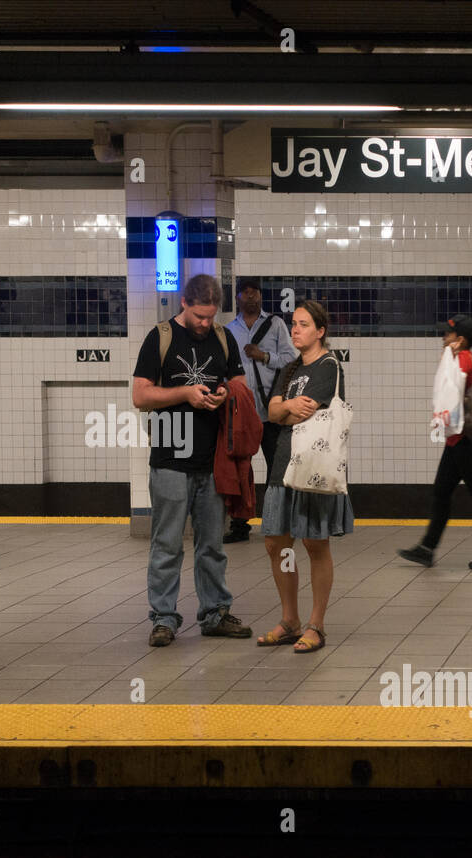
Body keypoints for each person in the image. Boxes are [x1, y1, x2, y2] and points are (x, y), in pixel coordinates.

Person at [132, 273, 252, 647]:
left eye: (210, 316)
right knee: (167, 543)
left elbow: (240, 384)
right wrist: (185, 393)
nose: (204, 324)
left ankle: (215, 612)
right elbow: (140, 395)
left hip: (213, 459)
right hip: (169, 458)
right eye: (199, 316)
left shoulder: (222, 337)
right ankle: (164, 619)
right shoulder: (160, 337)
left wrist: (221, 395)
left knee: (212, 545)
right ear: (184, 303)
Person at [256, 301, 354, 653]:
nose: (295, 329)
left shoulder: (328, 366)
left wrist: (285, 411)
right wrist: (284, 409)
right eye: (294, 324)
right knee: (277, 544)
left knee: (314, 543)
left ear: (320, 331)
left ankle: (316, 624)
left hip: (311, 467)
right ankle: (289, 620)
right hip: (282, 465)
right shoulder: (291, 368)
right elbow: (274, 412)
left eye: (303, 324)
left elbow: (305, 414)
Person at [397, 314, 472, 570]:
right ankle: (427, 548)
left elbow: (449, 392)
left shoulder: (463, 359)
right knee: (442, 491)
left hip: (469, 441)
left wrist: (450, 357)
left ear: (460, 339)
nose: (443, 338)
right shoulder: (462, 358)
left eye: (447, 334)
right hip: (460, 440)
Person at [223, 276, 297, 544]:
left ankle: (277, 520)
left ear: (261, 297)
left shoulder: (275, 325)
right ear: (238, 298)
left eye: (255, 292)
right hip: (241, 413)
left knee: (276, 466)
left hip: (269, 411)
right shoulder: (228, 330)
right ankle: (240, 524)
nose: (251, 297)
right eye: (246, 292)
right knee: (241, 469)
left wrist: (264, 356)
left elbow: (291, 360)